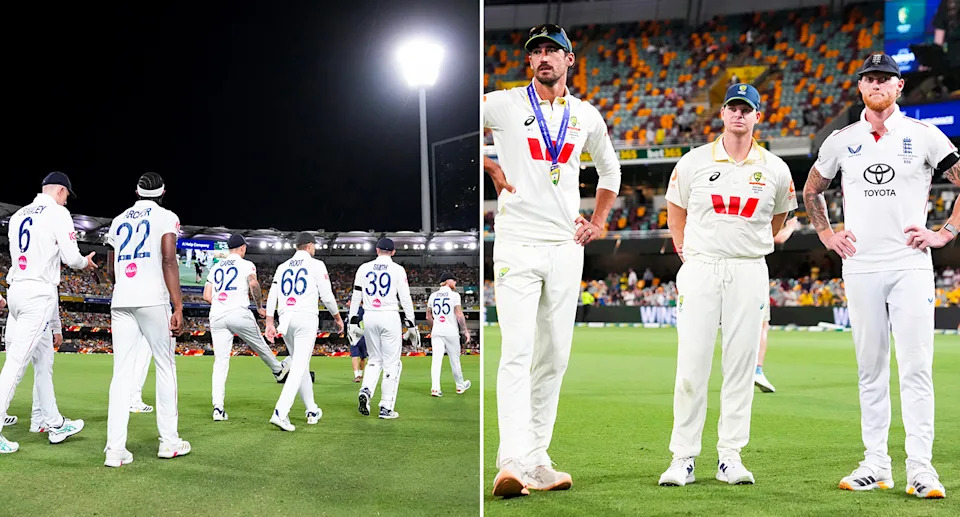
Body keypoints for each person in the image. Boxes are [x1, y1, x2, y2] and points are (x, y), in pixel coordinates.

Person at [803, 53, 959, 499]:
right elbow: (812, 189)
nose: (876, 85)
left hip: (910, 265)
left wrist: (945, 232)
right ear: (860, 87)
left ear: (899, 86)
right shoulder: (841, 140)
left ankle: (921, 469)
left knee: (916, 368)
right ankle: (876, 464)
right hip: (861, 266)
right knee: (870, 369)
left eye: (884, 79)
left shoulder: (924, 134)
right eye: (869, 79)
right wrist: (827, 234)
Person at [483, 23, 621, 497]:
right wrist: (488, 162)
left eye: (553, 50)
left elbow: (610, 169)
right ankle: (510, 461)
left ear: (569, 60)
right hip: (517, 242)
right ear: (529, 61)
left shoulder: (585, 115)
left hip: (566, 246)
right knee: (518, 351)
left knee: (555, 356)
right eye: (536, 51)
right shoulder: (504, 103)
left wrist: (598, 221)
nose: (544, 57)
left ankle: (537, 459)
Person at [658, 83, 797, 487]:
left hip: (748, 268)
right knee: (691, 366)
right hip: (702, 267)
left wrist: (747, 246)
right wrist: (686, 249)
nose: (739, 114)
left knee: (740, 366)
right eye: (733, 107)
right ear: (722, 114)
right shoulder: (694, 161)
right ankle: (683, 457)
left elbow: (777, 220)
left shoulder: (775, 168)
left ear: (757, 116)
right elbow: (675, 210)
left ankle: (730, 457)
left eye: (746, 109)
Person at [0, 171, 96, 453]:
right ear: (60, 191)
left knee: (43, 361)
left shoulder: (18, 215)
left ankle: (53, 423)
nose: (66, 202)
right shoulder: (57, 212)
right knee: (16, 364)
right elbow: (71, 257)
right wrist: (85, 262)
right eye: (66, 196)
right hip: (38, 294)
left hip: (17, 290)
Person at [104, 172, 189, 467]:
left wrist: (126, 285)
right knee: (165, 367)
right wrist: (178, 306)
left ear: (136, 192)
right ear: (163, 193)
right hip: (153, 298)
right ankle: (169, 442)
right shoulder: (166, 217)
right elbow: (168, 259)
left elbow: (111, 269)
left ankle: (115, 449)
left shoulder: (118, 220)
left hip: (122, 299)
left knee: (121, 374)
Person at [204, 234, 290, 421]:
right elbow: (254, 284)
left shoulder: (216, 267)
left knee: (220, 362)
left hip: (217, 315)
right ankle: (277, 370)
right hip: (238, 312)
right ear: (242, 248)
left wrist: (221, 304)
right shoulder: (246, 265)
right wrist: (259, 307)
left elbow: (207, 296)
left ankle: (218, 408)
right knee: (259, 343)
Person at [264, 232, 343, 431]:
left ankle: (311, 410)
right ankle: (281, 412)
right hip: (305, 317)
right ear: (309, 246)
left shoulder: (282, 267)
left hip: (285, 318)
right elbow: (327, 295)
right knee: (299, 366)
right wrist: (337, 317)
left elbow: (272, 294)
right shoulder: (316, 265)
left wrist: (269, 321)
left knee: (302, 365)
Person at [348, 238, 418, 420]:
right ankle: (386, 406)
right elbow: (405, 298)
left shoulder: (364, 268)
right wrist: (411, 323)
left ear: (377, 250)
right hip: (389, 315)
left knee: (374, 359)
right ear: (393, 252)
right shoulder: (397, 269)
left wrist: (352, 321)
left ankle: (366, 390)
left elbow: (356, 296)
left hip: (369, 316)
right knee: (392, 363)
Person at [754, 215, 799, 393]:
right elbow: (778, 238)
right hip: (752, 269)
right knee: (762, 324)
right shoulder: (753, 217)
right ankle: (757, 370)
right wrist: (791, 226)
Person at [426, 272, 471, 397]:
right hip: (451, 331)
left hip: (437, 331)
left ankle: (435, 388)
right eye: (454, 280)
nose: (455, 282)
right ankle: (460, 386)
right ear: (447, 281)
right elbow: (459, 315)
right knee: (455, 360)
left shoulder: (433, 296)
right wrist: (465, 331)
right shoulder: (454, 295)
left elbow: (428, 316)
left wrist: (436, 326)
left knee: (436, 360)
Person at [348, 305, 368, 382]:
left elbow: (351, 324)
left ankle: (357, 376)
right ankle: (360, 374)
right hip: (363, 336)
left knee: (355, 356)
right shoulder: (365, 310)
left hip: (355, 336)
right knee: (363, 357)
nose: (347, 303)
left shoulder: (354, 311)